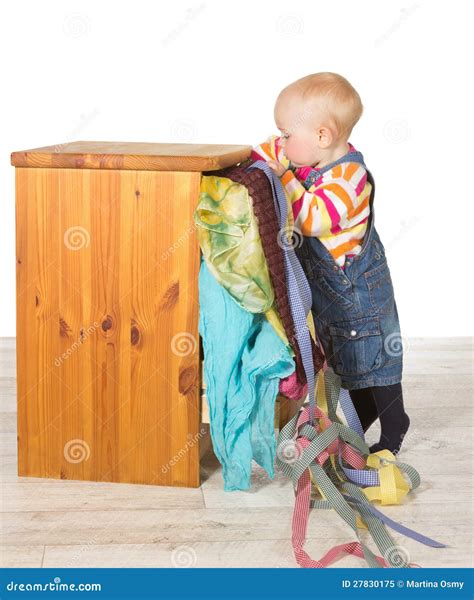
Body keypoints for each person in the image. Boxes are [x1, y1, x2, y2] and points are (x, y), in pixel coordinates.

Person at [251, 72, 410, 454]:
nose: (282, 142)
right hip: (333, 301)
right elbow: (267, 153)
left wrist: (284, 175)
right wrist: (273, 159)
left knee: (374, 363)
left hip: (360, 301)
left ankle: (393, 425)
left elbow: (310, 216)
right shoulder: (315, 164)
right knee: (344, 366)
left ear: (322, 137)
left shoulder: (350, 179)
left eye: (288, 134)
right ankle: (355, 424)